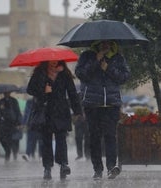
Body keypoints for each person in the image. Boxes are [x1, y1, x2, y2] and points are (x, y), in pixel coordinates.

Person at [75, 40, 131, 179]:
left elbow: (124, 77)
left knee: (111, 136)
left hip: (111, 104)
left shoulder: (118, 58)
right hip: (92, 104)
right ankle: (97, 169)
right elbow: (81, 74)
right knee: (94, 138)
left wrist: (109, 68)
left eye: (108, 43)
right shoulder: (87, 56)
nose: (105, 45)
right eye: (102, 43)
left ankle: (111, 167)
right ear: (97, 44)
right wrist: (96, 60)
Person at [27, 60, 82, 180]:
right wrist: (43, 90)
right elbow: (30, 89)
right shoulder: (39, 73)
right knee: (46, 141)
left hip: (60, 111)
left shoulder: (64, 74)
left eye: (55, 61)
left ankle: (63, 164)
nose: (53, 63)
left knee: (61, 138)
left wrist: (77, 110)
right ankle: (47, 167)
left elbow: (72, 92)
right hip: (45, 111)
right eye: (51, 61)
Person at [0, 91, 22, 161]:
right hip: (4, 125)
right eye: (5, 93)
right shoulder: (0, 102)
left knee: (14, 140)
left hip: (13, 124)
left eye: (7, 92)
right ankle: (8, 152)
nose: (6, 94)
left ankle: (13, 155)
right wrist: (0, 108)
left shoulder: (14, 101)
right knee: (3, 139)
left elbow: (18, 112)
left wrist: (19, 123)